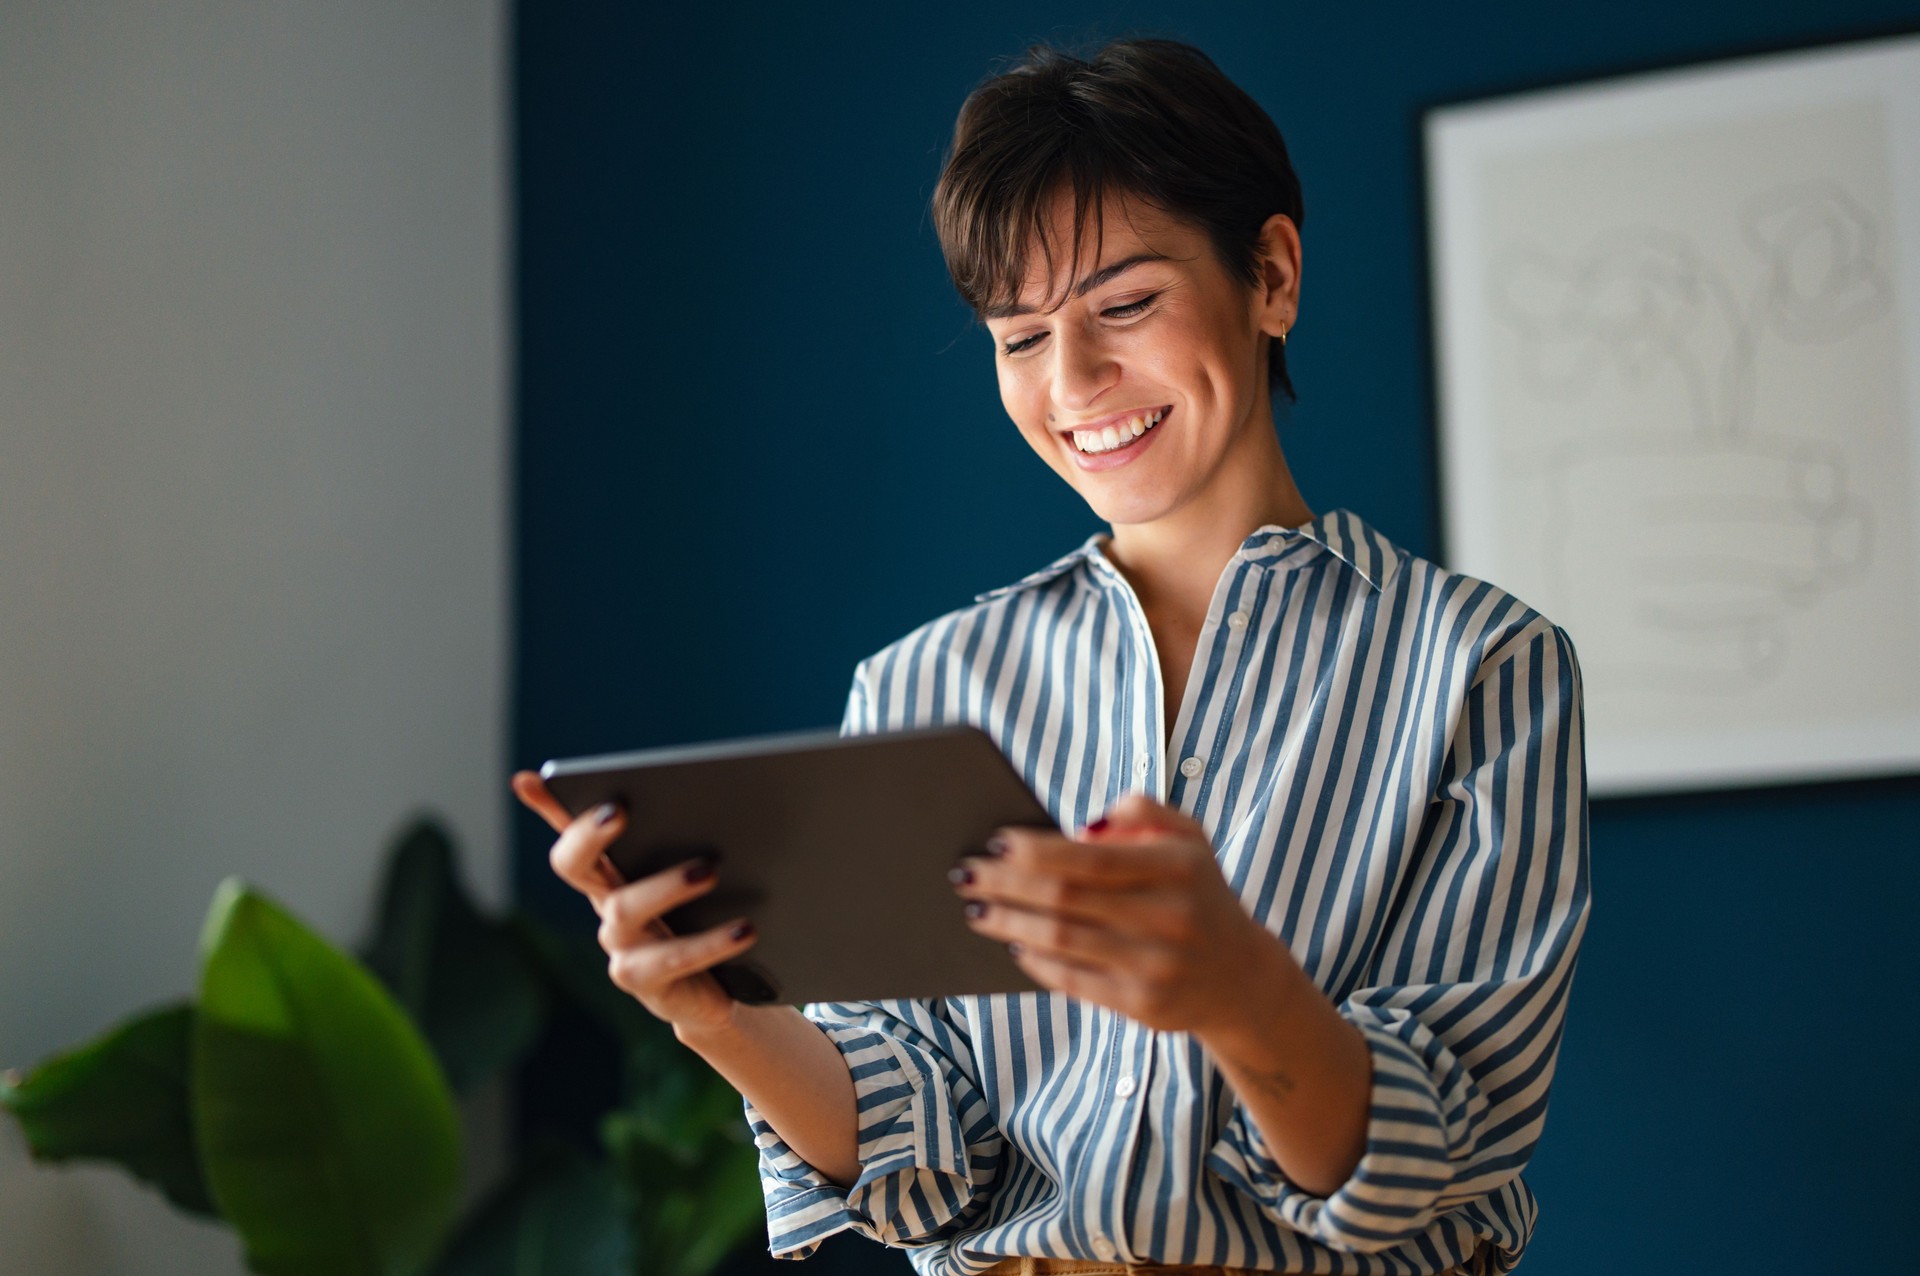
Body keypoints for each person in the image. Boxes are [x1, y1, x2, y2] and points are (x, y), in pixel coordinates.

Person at [514, 35, 1591, 1276]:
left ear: (1273, 274)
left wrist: (1241, 989)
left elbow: (1441, 1146)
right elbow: (927, 1146)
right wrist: (720, 1018)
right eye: (1019, 338)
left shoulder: (1483, 668)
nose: (1073, 381)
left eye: (1124, 305)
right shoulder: (921, 687)